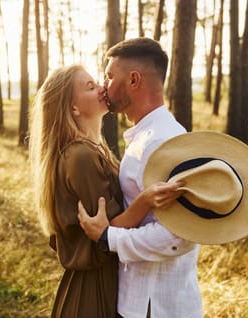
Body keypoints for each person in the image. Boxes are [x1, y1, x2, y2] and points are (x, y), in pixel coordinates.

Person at [29, 64, 184, 318]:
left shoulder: (94, 149)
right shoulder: (80, 156)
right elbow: (106, 230)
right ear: (73, 108)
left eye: (98, 81)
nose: (102, 87)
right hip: (93, 291)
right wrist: (144, 201)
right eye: (90, 87)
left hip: (106, 281)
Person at [77, 37, 204, 318]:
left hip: (157, 305)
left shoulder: (162, 140)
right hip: (138, 299)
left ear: (134, 80)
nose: (104, 85)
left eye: (110, 76)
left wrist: (109, 238)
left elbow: (180, 234)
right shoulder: (144, 135)